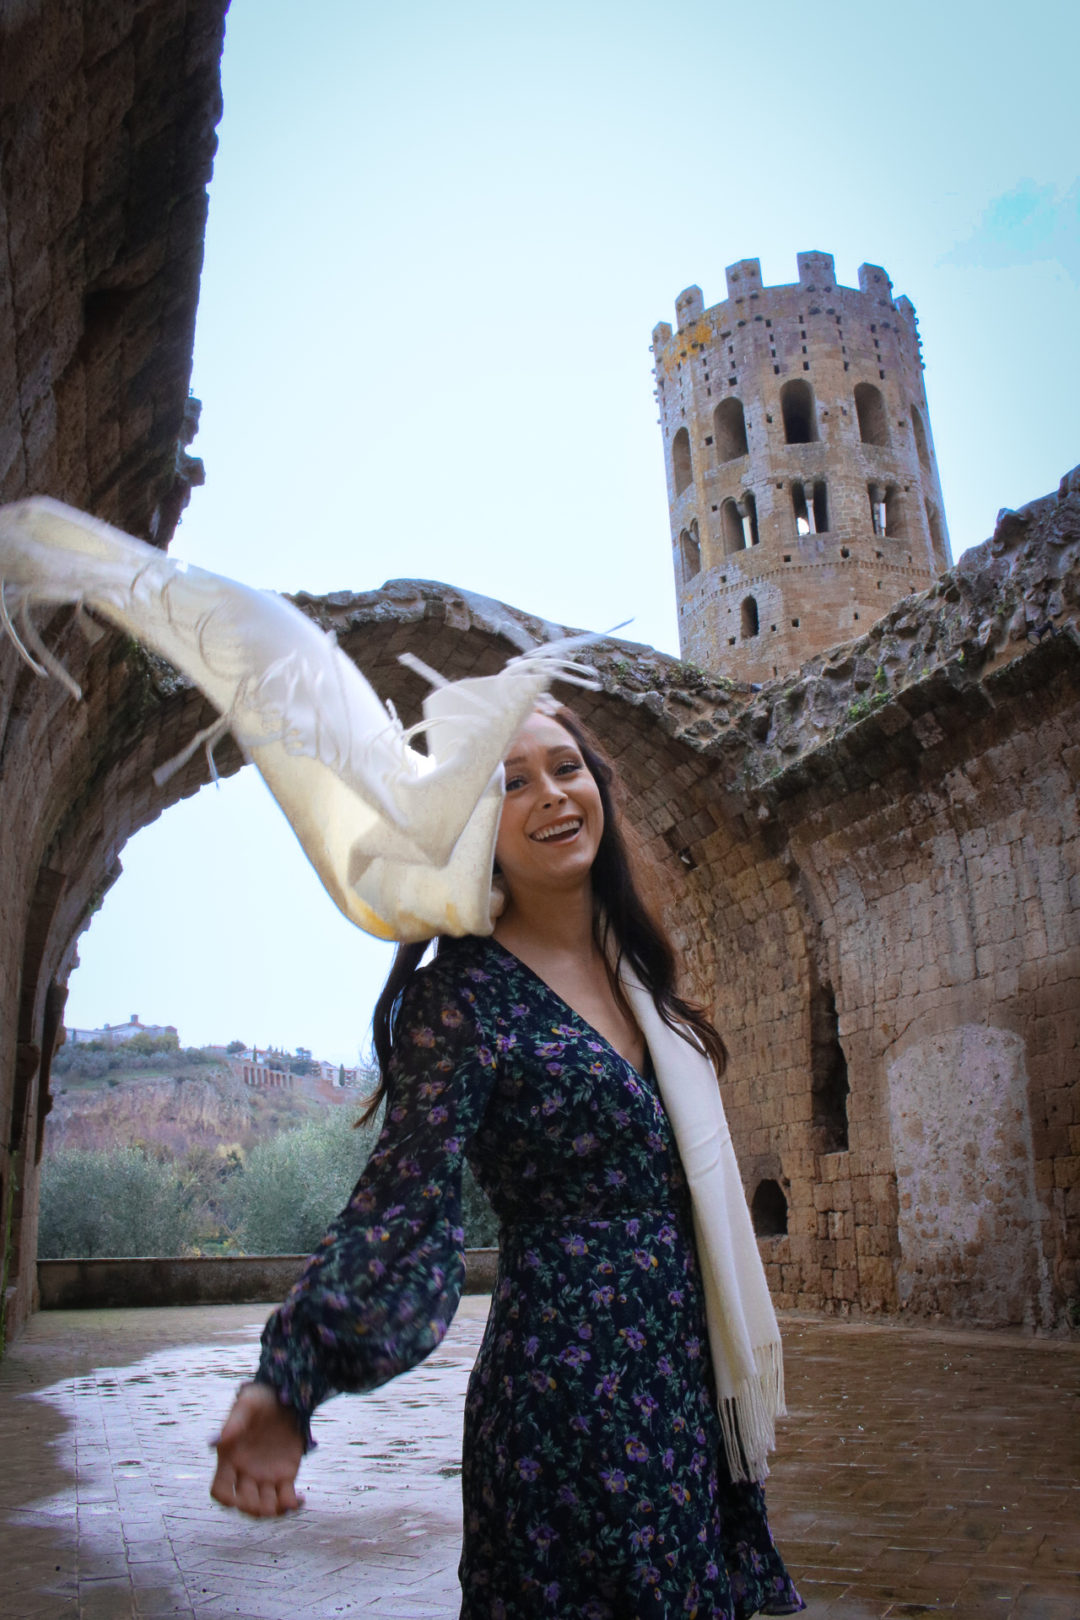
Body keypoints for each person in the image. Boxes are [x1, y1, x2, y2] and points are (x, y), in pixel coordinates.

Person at [211, 705, 804, 1619]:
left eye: (565, 767)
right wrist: (291, 1379)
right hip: (564, 1401)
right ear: (470, 828)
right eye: (509, 782)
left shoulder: (640, 976)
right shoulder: (460, 1002)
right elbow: (403, 1201)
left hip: (679, 1393)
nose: (551, 795)